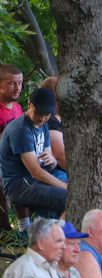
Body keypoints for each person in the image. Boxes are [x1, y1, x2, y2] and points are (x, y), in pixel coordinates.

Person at [0, 87, 66, 218]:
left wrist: (52, 160)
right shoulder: (21, 130)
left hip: (35, 180)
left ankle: (49, 232)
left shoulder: (44, 124)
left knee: (69, 188)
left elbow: (49, 164)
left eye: (47, 114)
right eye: (39, 113)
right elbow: (36, 172)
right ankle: (52, 235)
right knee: (67, 197)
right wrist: (66, 187)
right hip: (19, 185)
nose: (42, 118)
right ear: (30, 104)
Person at [0, 63, 23, 232]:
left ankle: (22, 230)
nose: (17, 88)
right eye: (11, 83)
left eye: (20, 83)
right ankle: (5, 231)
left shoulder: (17, 108)